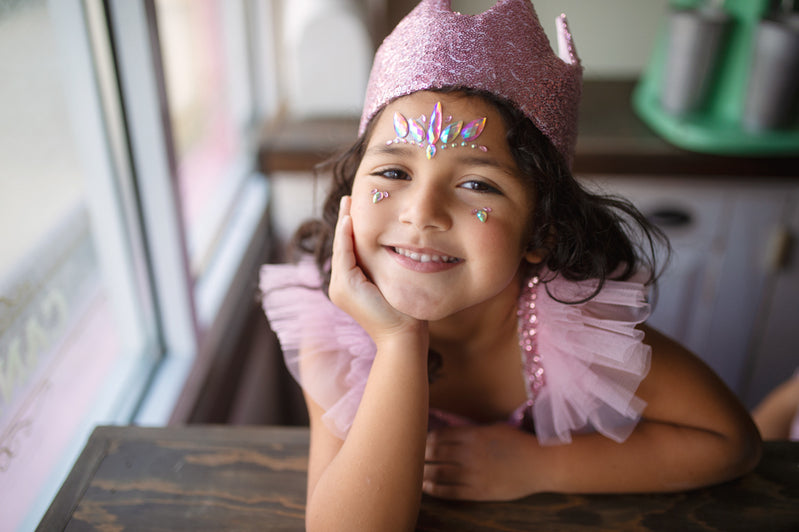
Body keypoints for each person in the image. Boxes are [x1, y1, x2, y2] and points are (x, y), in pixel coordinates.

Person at [260, 1, 762, 529]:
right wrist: (399, 341)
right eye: (392, 171)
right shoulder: (331, 330)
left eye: (477, 184)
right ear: (349, 199)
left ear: (542, 229)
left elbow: (732, 442)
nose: (422, 214)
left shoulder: (575, 325)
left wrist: (540, 467)